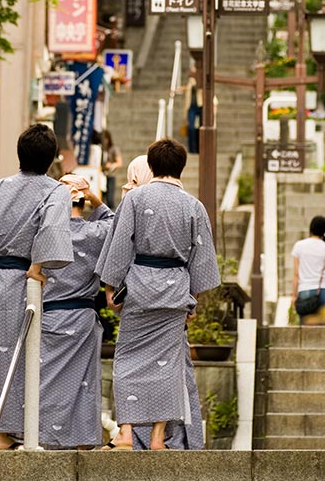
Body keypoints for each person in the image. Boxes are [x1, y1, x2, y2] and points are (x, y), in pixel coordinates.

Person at [98, 138, 220, 450]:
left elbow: (121, 244)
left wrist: (112, 288)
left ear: (151, 166)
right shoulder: (194, 206)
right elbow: (202, 259)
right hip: (175, 290)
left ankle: (125, 431)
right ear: (182, 167)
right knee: (168, 366)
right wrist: (192, 298)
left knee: (127, 360)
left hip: (140, 287)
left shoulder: (136, 199)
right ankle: (156, 438)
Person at [0, 124, 76, 450]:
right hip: (23, 281)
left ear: (19, 154)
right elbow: (51, 233)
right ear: (54, 158)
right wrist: (36, 269)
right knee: (28, 355)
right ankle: (20, 429)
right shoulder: (55, 191)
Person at [39, 174, 114, 450]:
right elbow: (113, 222)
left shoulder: (44, 232)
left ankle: (43, 441)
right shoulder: (96, 233)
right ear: (84, 202)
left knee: (45, 382)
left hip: (48, 318)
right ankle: (82, 446)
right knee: (83, 386)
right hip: (82, 318)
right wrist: (95, 198)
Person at [291, 215, 325, 325]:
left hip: (305, 290)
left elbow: (296, 274)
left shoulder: (299, 246)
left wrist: (294, 295)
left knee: (306, 328)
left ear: (311, 228)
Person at [182, 67, 203, 154]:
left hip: (200, 106)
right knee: (191, 128)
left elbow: (201, 91)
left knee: (199, 128)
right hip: (191, 108)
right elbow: (186, 90)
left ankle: (199, 148)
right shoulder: (189, 83)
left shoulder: (200, 81)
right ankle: (192, 149)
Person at [100, 130, 122, 209]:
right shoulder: (100, 149)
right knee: (101, 198)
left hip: (110, 175)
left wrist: (111, 165)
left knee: (110, 198)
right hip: (101, 175)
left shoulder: (113, 149)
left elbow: (119, 163)